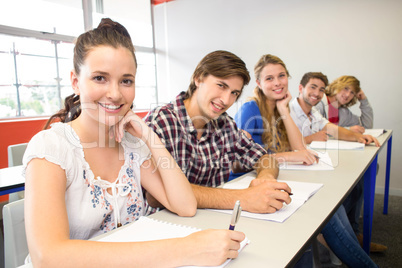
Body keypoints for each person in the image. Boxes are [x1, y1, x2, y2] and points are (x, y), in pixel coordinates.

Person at [23, 19, 246, 267]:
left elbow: (185, 206)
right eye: (100, 78)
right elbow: (48, 257)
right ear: (76, 81)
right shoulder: (51, 147)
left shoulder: (132, 145)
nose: (116, 93)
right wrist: (185, 249)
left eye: (126, 81)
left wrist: (149, 136)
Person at [236, 56, 378, 267]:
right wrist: (289, 155)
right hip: (249, 182)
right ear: (258, 83)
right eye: (269, 78)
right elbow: (246, 160)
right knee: (327, 210)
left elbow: (299, 148)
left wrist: (284, 110)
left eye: (282, 76)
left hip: (276, 174)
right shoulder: (251, 108)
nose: (277, 83)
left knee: (333, 206)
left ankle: (351, 253)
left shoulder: (279, 107)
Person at [145, 50, 292, 214]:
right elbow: (155, 196)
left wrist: (265, 179)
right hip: (168, 223)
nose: (226, 100)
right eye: (221, 86)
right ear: (199, 78)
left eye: (234, 93)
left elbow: (265, 158)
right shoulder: (162, 121)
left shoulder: (224, 123)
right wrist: (242, 198)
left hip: (214, 219)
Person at [315, 75, 386, 252]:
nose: (348, 94)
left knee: (368, 170)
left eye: (352, 92)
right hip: (319, 157)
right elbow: (314, 130)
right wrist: (347, 131)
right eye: (346, 88)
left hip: (339, 155)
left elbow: (366, 126)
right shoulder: (319, 104)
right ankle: (345, 231)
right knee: (359, 177)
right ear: (337, 85)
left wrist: (364, 101)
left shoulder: (343, 112)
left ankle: (352, 231)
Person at [289, 72, 379, 147]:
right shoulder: (287, 112)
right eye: (313, 87)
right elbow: (278, 147)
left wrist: (357, 137)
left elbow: (334, 130)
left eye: (321, 90)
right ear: (301, 88)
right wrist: (310, 139)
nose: (317, 93)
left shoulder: (313, 113)